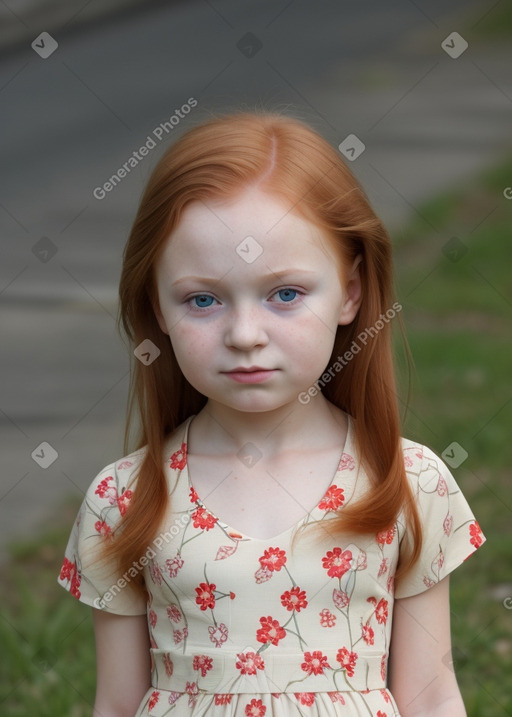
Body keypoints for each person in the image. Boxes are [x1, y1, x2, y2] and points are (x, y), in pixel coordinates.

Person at [58, 112, 486, 717]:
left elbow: (431, 694)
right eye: (202, 299)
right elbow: (117, 703)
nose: (244, 334)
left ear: (352, 292)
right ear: (156, 305)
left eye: (285, 294)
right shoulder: (125, 499)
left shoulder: (407, 483)